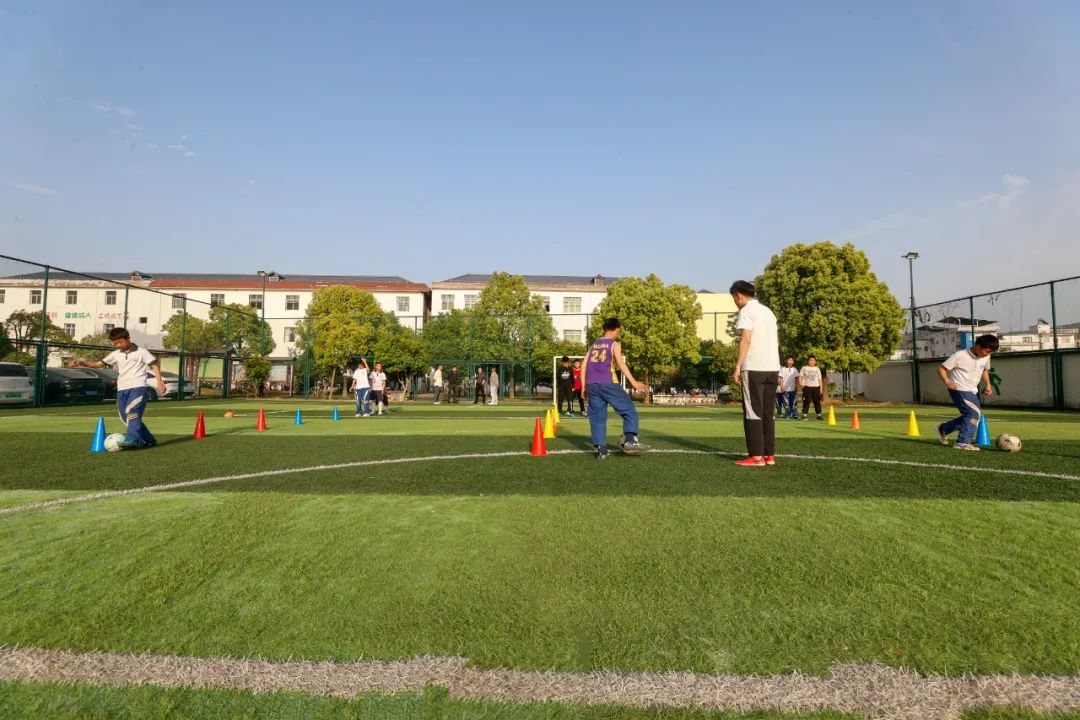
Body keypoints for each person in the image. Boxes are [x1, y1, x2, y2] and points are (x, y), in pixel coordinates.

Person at [70, 327, 165, 448]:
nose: (118, 345)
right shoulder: (115, 354)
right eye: (116, 343)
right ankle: (148, 440)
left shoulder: (142, 352)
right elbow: (97, 364)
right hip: (122, 389)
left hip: (138, 387)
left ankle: (133, 440)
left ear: (128, 338)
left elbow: (154, 366)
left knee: (132, 413)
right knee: (125, 418)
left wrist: (159, 382)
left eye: (120, 342)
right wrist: (81, 362)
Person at [730, 280, 780, 467]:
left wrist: (738, 366)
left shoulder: (746, 311)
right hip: (772, 367)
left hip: (753, 367)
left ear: (739, 295)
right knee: (768, 413)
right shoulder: (768, 312)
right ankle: (769, 455)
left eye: (734, 299)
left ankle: (756, 456)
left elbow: (746, 339)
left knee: (753, 412)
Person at [582, 317, 647, 459]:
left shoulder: (594, 345)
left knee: (597, 417)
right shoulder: (614, 344)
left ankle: (601, 450)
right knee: (628, 410)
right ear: (617, 329)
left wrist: (583, 387)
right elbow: (621, 364)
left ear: (604, 329)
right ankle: (630, 439)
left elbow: (584, 365)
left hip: (592, 385)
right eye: (619, 331)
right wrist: (633, 382)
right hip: (609, 383)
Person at [937, 334, 998, 450]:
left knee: (971, 415)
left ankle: (944, 428)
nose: (988, 354)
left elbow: (984, 370)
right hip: (959, 389)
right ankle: (962, 442)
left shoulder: (986, 357)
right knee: (973, 414)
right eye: (987, 351)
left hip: (972, 390)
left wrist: (988, 385)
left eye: (991, 352)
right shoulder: (960, 355)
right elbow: (941, 368)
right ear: (978, 346)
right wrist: (947, 381)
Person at [799, 355, 824, 420]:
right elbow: (800, 376)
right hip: (807, 387)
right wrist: (800, 384)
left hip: (816, 387)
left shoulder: (817, 369)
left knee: (817, 401)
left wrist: (821, 388)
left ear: (815, 362)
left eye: (813, 360)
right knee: (806, 401)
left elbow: (820, 379)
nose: (812, 362)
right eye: (810, 360)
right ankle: (804, 415)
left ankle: (819, 415)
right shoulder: (804, 368)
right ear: (808, 361)